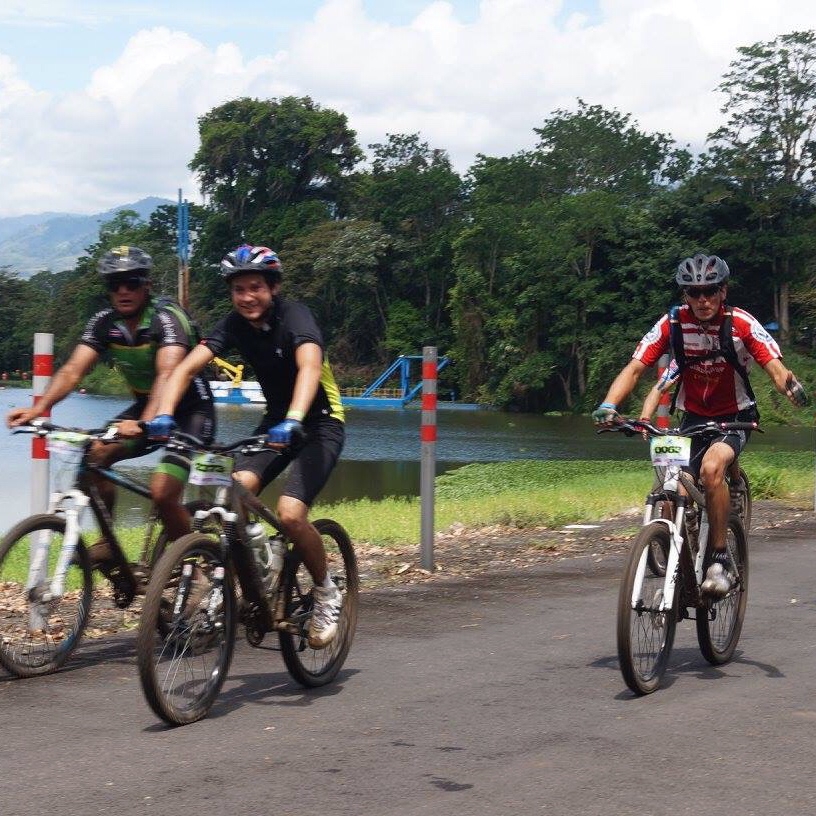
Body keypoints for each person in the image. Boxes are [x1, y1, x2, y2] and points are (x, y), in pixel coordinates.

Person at [145, 244, 346, 649]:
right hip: (275, 424)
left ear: (273, 287)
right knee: (233, 486)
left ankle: (326, 592)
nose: (247, 297)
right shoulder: (234, 324)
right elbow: (186, 366)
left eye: (255, 287)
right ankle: (258, 567)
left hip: (320, 424)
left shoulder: (296, 317)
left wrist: (294, 418)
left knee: (290, 515)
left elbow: (309, 367)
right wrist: (165, 412)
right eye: (238, 289)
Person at [593, 253, 807, 597]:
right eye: (694, 293)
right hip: (692, 419)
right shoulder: (672, 325)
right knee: (677, 484)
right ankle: (683, 543)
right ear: (685, 296)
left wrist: (790, 386)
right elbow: (635, 369)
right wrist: (609, 404)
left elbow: (773, 365)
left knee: (711, 469)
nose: (703, 299)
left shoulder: (741, 324)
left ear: (723, 291)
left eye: (710, 291)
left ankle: (719, 559)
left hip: (735, 418)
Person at [6, 245, 215, 573]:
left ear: (146, 285)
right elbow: (75, 370)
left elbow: (167, 374)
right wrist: (39, 408)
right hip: (146, 406)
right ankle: (107, 544)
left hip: (190, 412)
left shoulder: (166, 319)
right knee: (95, 454)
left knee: (162, 493)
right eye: (114, 285)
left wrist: (145, 424)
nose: (122, 291)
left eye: (131, 282)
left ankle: (195, 566)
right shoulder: (105, 323)